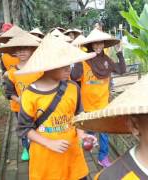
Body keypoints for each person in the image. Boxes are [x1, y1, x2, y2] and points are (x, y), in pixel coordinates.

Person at [16, 34, 97, 180]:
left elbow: (78, 115)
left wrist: (82, 135)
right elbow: (24, 128)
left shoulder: (73, 88)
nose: (69, 69)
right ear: (47, 66)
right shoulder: (30, 94)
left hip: (72, 155)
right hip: (45, 158)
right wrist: (49, 143)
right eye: (63, 65)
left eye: (69, 64)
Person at [71, 28, 126, 168]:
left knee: (104, 134)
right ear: (90, 45)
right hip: (86, 106)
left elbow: (121, 70)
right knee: (85, 134)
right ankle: (78, 158)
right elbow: (74, 76)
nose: (98, 46)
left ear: (103, 44)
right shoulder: (84, 61)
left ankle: (103, 157)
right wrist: (78, 56)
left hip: (103, 105)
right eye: (94, 43)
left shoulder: (106, 61)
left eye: (100, 43)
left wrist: (119, 52)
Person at [0, 33, 42, 161]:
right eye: (18, 49)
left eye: (25, 48)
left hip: (38, 107)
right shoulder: (12, 73)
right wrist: (20, 100)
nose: (22, 52)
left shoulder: (39, 69)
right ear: (14, 52)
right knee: (24, 129)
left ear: (32, 50)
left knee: (38, 127)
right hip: (19, 108)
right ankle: (26, 148)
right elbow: (9, 93)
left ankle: (39, 147)